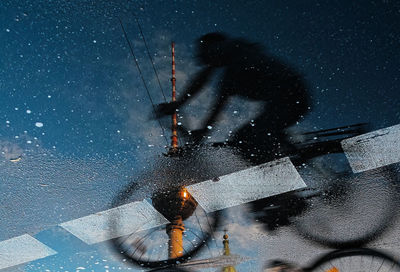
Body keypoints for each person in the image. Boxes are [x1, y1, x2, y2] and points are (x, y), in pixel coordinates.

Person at [156, 32, 310, 164]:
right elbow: (217, 106)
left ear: (214, 45)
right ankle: (286, 153)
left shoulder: (231, 48)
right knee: (255, 138)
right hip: (294, 96)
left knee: (245, 139)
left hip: (290, 96)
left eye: (203, 49)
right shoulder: (232, 71)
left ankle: (278, 179)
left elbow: (204, 78)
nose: (201, 54)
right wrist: (203, 130)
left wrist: (178, 105)